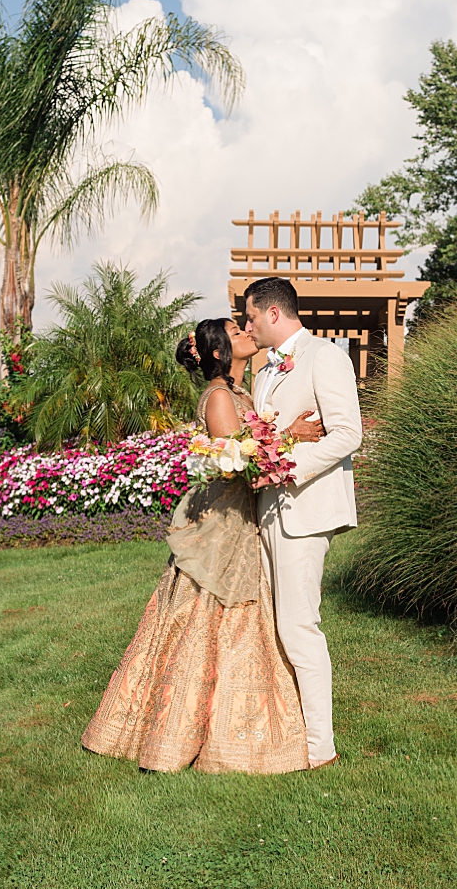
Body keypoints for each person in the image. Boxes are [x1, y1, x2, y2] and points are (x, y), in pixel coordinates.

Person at [81, 317, 316, 773]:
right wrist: (293, 437)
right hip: (221, 521)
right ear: (217, 352)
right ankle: (179, 730)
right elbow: (236, 457)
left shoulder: (241, 393)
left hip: (239, 515)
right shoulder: (221, 396)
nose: (248, 331)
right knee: (208, 606)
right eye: (236, 330)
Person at [243, 276, 362, 770]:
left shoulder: (325, 355)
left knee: (298, 628)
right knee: (276, 626)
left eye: (250, 317)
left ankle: (320, 750)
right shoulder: (261, 372)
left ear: (273, 314)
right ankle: (289, 734)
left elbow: (348, 434)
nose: (246, 327)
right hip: (266, 511)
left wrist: (290, 467)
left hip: (305, 510)